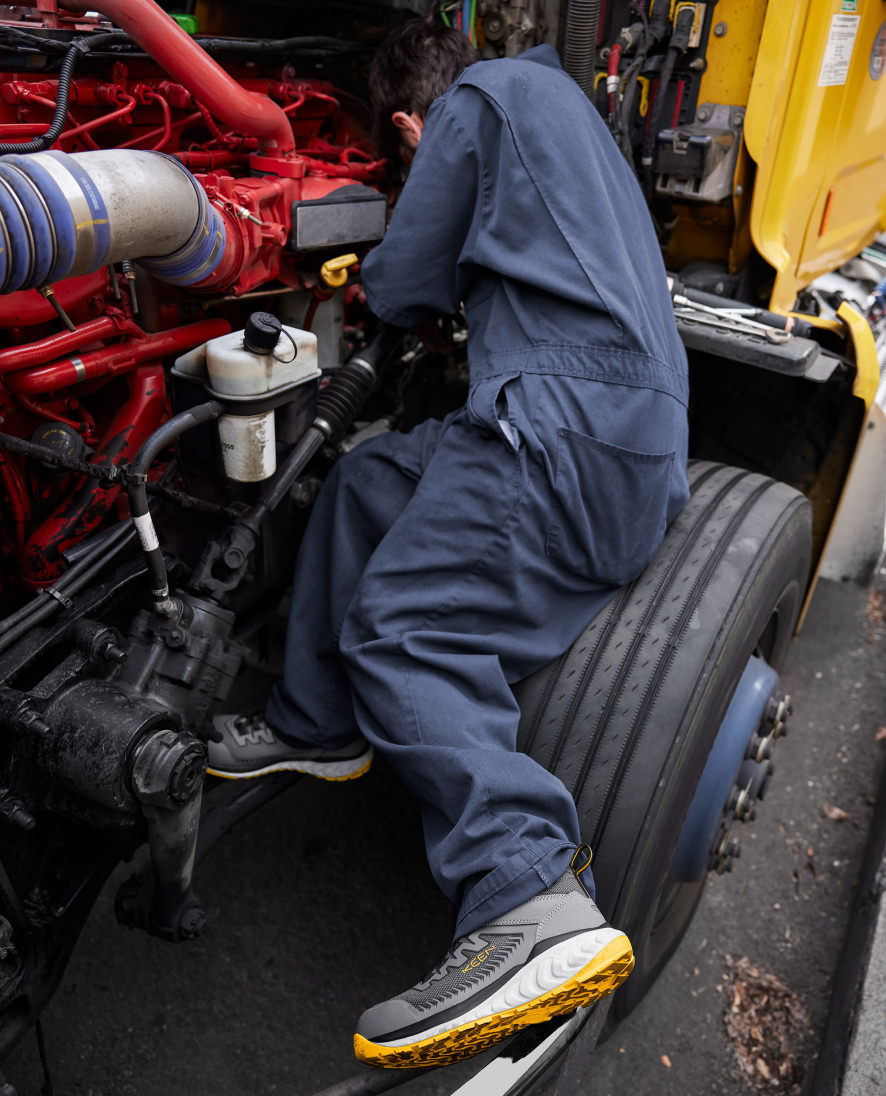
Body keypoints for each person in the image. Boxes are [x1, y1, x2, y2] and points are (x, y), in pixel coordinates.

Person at [207, 18, 690, 1070]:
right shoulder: (570, 115)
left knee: (406, 631)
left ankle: (526, 895)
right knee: (372, 480)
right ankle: (317, 721)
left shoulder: (483, 100)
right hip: (630, 449)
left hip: (555, 425)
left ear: (412, 125)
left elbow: (404, 281)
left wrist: (366, 278)